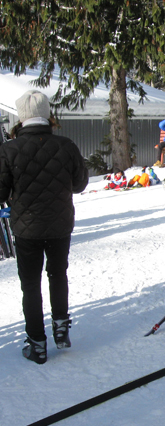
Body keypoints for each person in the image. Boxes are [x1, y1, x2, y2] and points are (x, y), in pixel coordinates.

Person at [0, 90, 88, 363]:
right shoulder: (66, 145)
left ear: (21, 118)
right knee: (58, 275)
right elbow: (80, 184)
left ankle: (37, 343)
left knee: (31, 284)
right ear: (48, 114)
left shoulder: (8, 149)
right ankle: (61, 329)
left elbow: (1, 193)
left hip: (27, 228)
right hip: (60, 224)